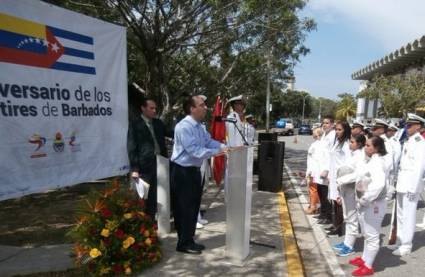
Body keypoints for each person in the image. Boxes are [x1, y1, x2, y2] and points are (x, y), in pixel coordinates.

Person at [170, 95, 227, 255]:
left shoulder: (199, 126)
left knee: (194, 207)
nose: (206, 107)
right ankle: (183, 243)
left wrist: (224, 146)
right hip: (182, 171)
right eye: (202, 105)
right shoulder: (184, 127)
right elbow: (195, 151)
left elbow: (208, 142)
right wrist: (219, 151)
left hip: (193, 171)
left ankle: (189, 239)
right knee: (184, 208)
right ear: (192, 108)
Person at [349, 136, 388, 276]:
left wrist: (365, 199)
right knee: (366, 233)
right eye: (365, 145)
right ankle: (365, 259)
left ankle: (368, 266)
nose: (365, 148)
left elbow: (378, 185)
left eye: (368, 145)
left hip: (373, 203)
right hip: (365, 201)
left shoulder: (378, 162)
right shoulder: (371, 160)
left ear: (376, 148)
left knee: (372, 235)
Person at [127, 98, 171, 219]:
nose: (154, 111)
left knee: (160, 193)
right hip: (145, 166)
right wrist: (135, 168)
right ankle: (147, 222)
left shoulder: (158, 123)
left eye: (155, 108)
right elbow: (132, 147)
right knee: (146, 196)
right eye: (151, 108)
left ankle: (161, 218)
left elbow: (170, 133)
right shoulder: (135, 124)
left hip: (161, 163)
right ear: (143, 108)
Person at [391, 113, 425, 256]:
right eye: (407, 125)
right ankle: (400, 240)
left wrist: (414, 187)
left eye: (410, 125)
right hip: (402, 183)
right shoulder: (409, 141)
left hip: (411, 185)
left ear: (418, 127)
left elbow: (419, 168)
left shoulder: (420, 143)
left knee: (409, 215)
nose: (407, 127)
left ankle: (406, 245)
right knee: (400, 215)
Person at [334, 134, 366, 256]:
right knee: (347, 216)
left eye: (352, 142)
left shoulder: (360, 156)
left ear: (359, 144)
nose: (349, 144)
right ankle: (346, 242)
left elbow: (357, 174)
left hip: (352, 189)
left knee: (352, 218)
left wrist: (341, 180)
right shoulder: (353, 154)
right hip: (345, 188)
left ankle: (350, 246)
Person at [326, 120, 351, 237]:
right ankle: (336, 223)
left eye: (340, 130)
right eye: (336, 129)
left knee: (339, 202)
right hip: (333, 175)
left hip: (340, 177)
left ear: (345, 130)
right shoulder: (337, 142)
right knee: (335, 201)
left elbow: (348, 163)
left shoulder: (346, 144)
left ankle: (340, 227)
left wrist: (342, 178)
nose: (337, 132)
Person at [315, 115, 336, 224]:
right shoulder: (325, 135)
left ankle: (328, 216)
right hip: (320, 168)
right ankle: (323, 213)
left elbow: (331, 155)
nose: (324, 125)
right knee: (320, 192)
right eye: (323, 123)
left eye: (327, 123)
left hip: (326, 170)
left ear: (332, 125)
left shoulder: (333, 136)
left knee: (325, 194)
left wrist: (327, 169)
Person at [305, 127, 325, 214]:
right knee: (314, 189)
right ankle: (315, 206)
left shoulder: (318, 145)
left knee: (313, 189)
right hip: (314, 170)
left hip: (314, 170)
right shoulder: (319, 144)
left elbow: (315, 160)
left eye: (314, 132)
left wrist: (310, 172)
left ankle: (313, 206)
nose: (312, 134)